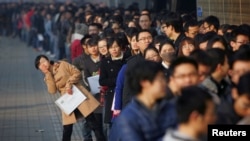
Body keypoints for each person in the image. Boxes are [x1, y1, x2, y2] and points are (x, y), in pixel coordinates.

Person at [34, 55, 105, 141]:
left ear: (48, 60)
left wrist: (69, 83)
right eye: (40, 65)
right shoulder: (47, 78)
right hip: (67, 100)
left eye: (43, 61)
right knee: (67, 127)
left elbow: (77, 73)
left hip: (77, 93)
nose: (43, 65)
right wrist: (48, 74)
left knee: (92, 122)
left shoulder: (62, 64)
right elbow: (52, 91)